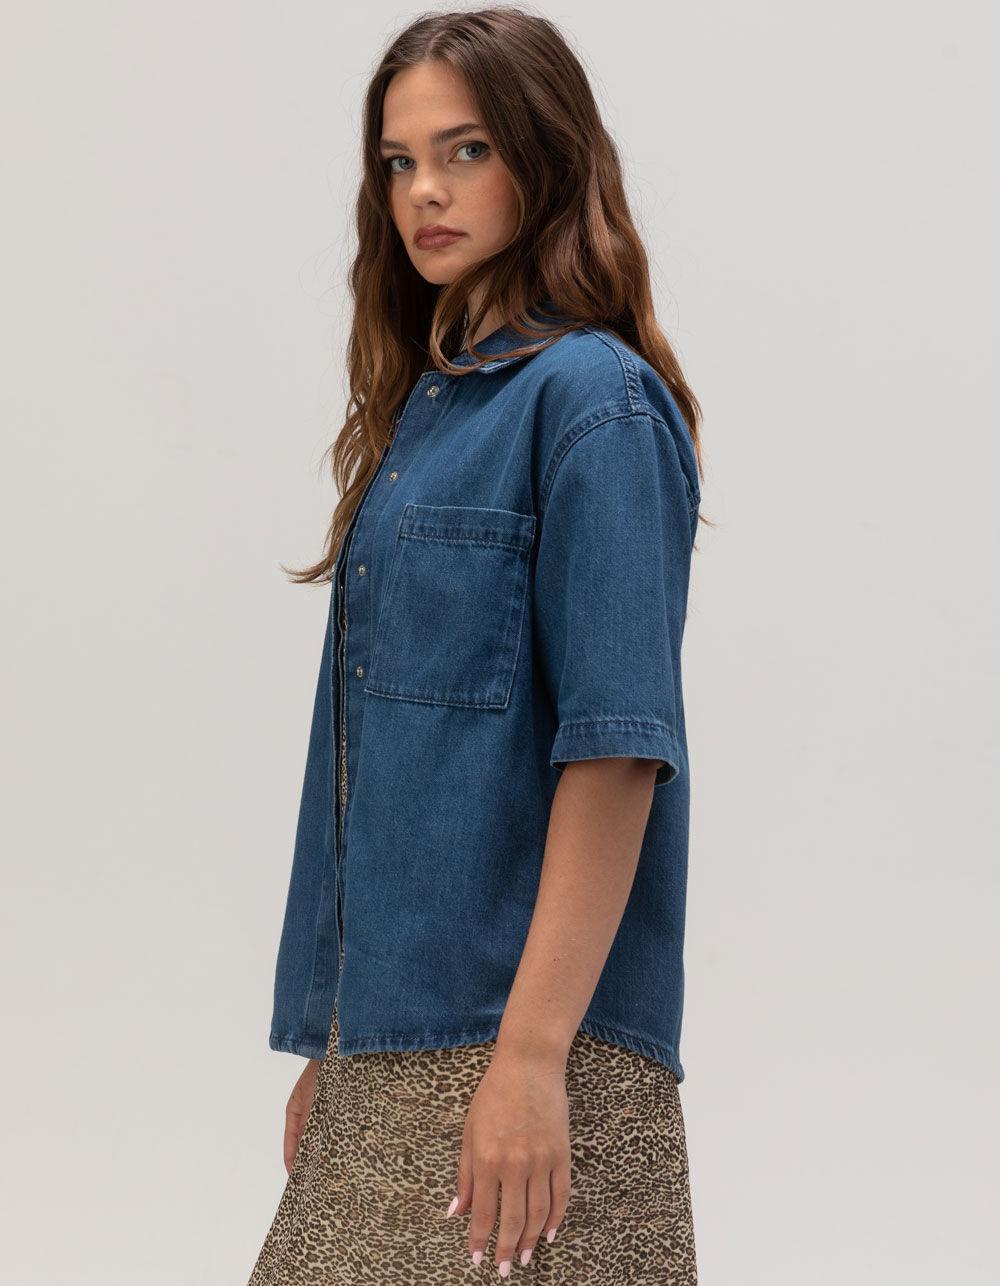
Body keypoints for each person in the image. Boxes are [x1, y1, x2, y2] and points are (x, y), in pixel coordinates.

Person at [248, 7, 706, 1283]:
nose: (424, 191)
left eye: (465, 150)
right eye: (399, 161)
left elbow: (617, 750)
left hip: (524, 1052)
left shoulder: (595, 403)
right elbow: (389, 768)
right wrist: (338, 1043)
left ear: (544, 157)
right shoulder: (430, 416)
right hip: (394, 1042)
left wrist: (531, 1057)